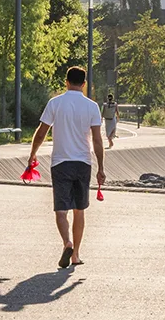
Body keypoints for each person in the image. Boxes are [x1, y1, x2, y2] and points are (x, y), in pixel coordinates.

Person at [26, 66, 105, 269]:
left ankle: (67, 243)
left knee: (61, 210)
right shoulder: (92, 107)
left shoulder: (55, 103)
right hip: (83, 163)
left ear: (66, 82)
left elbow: (41, 132)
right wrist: (101, 167)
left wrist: (32, 154)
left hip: (60, 163)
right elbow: (97, 139)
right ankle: (76, 254)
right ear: (84, 84)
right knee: (80, 210)